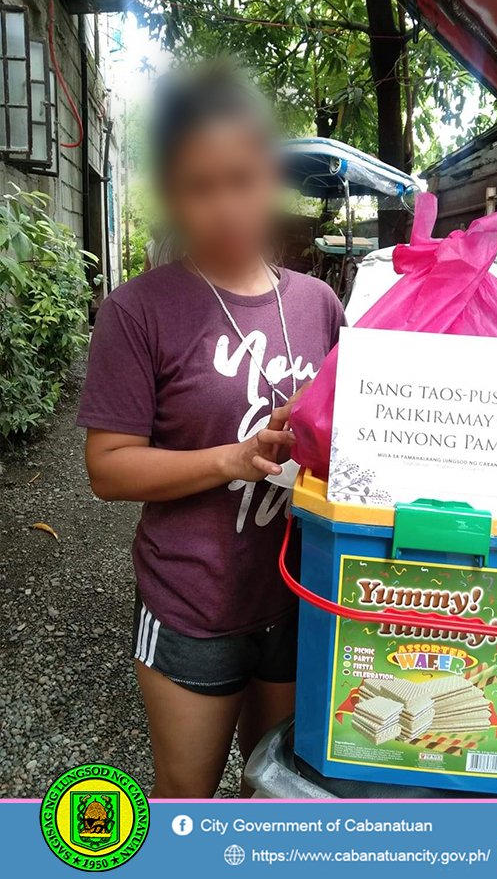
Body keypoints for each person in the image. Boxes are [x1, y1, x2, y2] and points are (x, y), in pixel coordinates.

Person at [77, 61, 345, 798]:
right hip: (192, 604)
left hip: (300, 594)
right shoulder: (140, 312)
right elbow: (108, 468)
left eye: (243, 178)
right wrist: (235, 454)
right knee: (186, 803)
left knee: (277, 798)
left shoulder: (320, 303)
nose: (227, 205)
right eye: (201, 186)